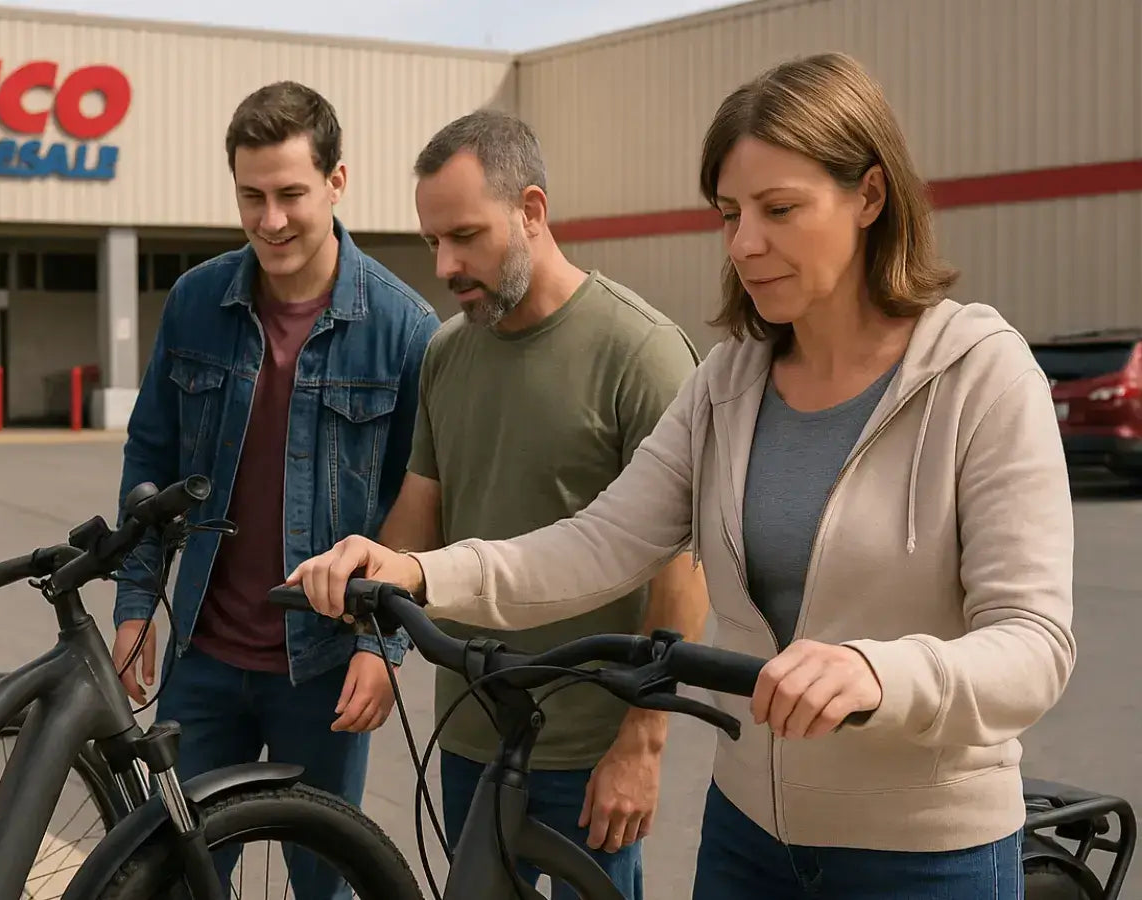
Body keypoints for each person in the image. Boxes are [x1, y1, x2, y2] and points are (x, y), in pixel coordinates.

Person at [287, 51, 1074, 900]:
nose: (743, 244)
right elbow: (596, 544)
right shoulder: (729, 383)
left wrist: (885, 673)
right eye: (730, 213)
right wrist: (413, 570)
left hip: (926, 857)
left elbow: (1034, 645)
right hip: (747, 839)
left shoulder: (980, 377)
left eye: (779, 210)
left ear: (871, 197)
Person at [112, 79, 439, 897]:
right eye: (250, 196)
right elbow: (150, 455)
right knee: (176, 878)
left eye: (291, 193)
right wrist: (133, 603)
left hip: (325, 667)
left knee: (323, 883)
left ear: (337, 181)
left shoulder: (405, 330)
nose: (270, 220)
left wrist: (382, 644)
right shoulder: (196, 302)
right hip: (204, 662)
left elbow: (420, 507)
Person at [375, 108, 710, 900]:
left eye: (465, 235)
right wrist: (361, 588)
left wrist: (644, 742)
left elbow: (681, 570)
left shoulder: (642, 352)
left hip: (590, 748)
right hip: (467, 727)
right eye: (433, 244)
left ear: (531, 211)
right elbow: (419, 519)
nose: (446, 265)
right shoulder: (446, 353)